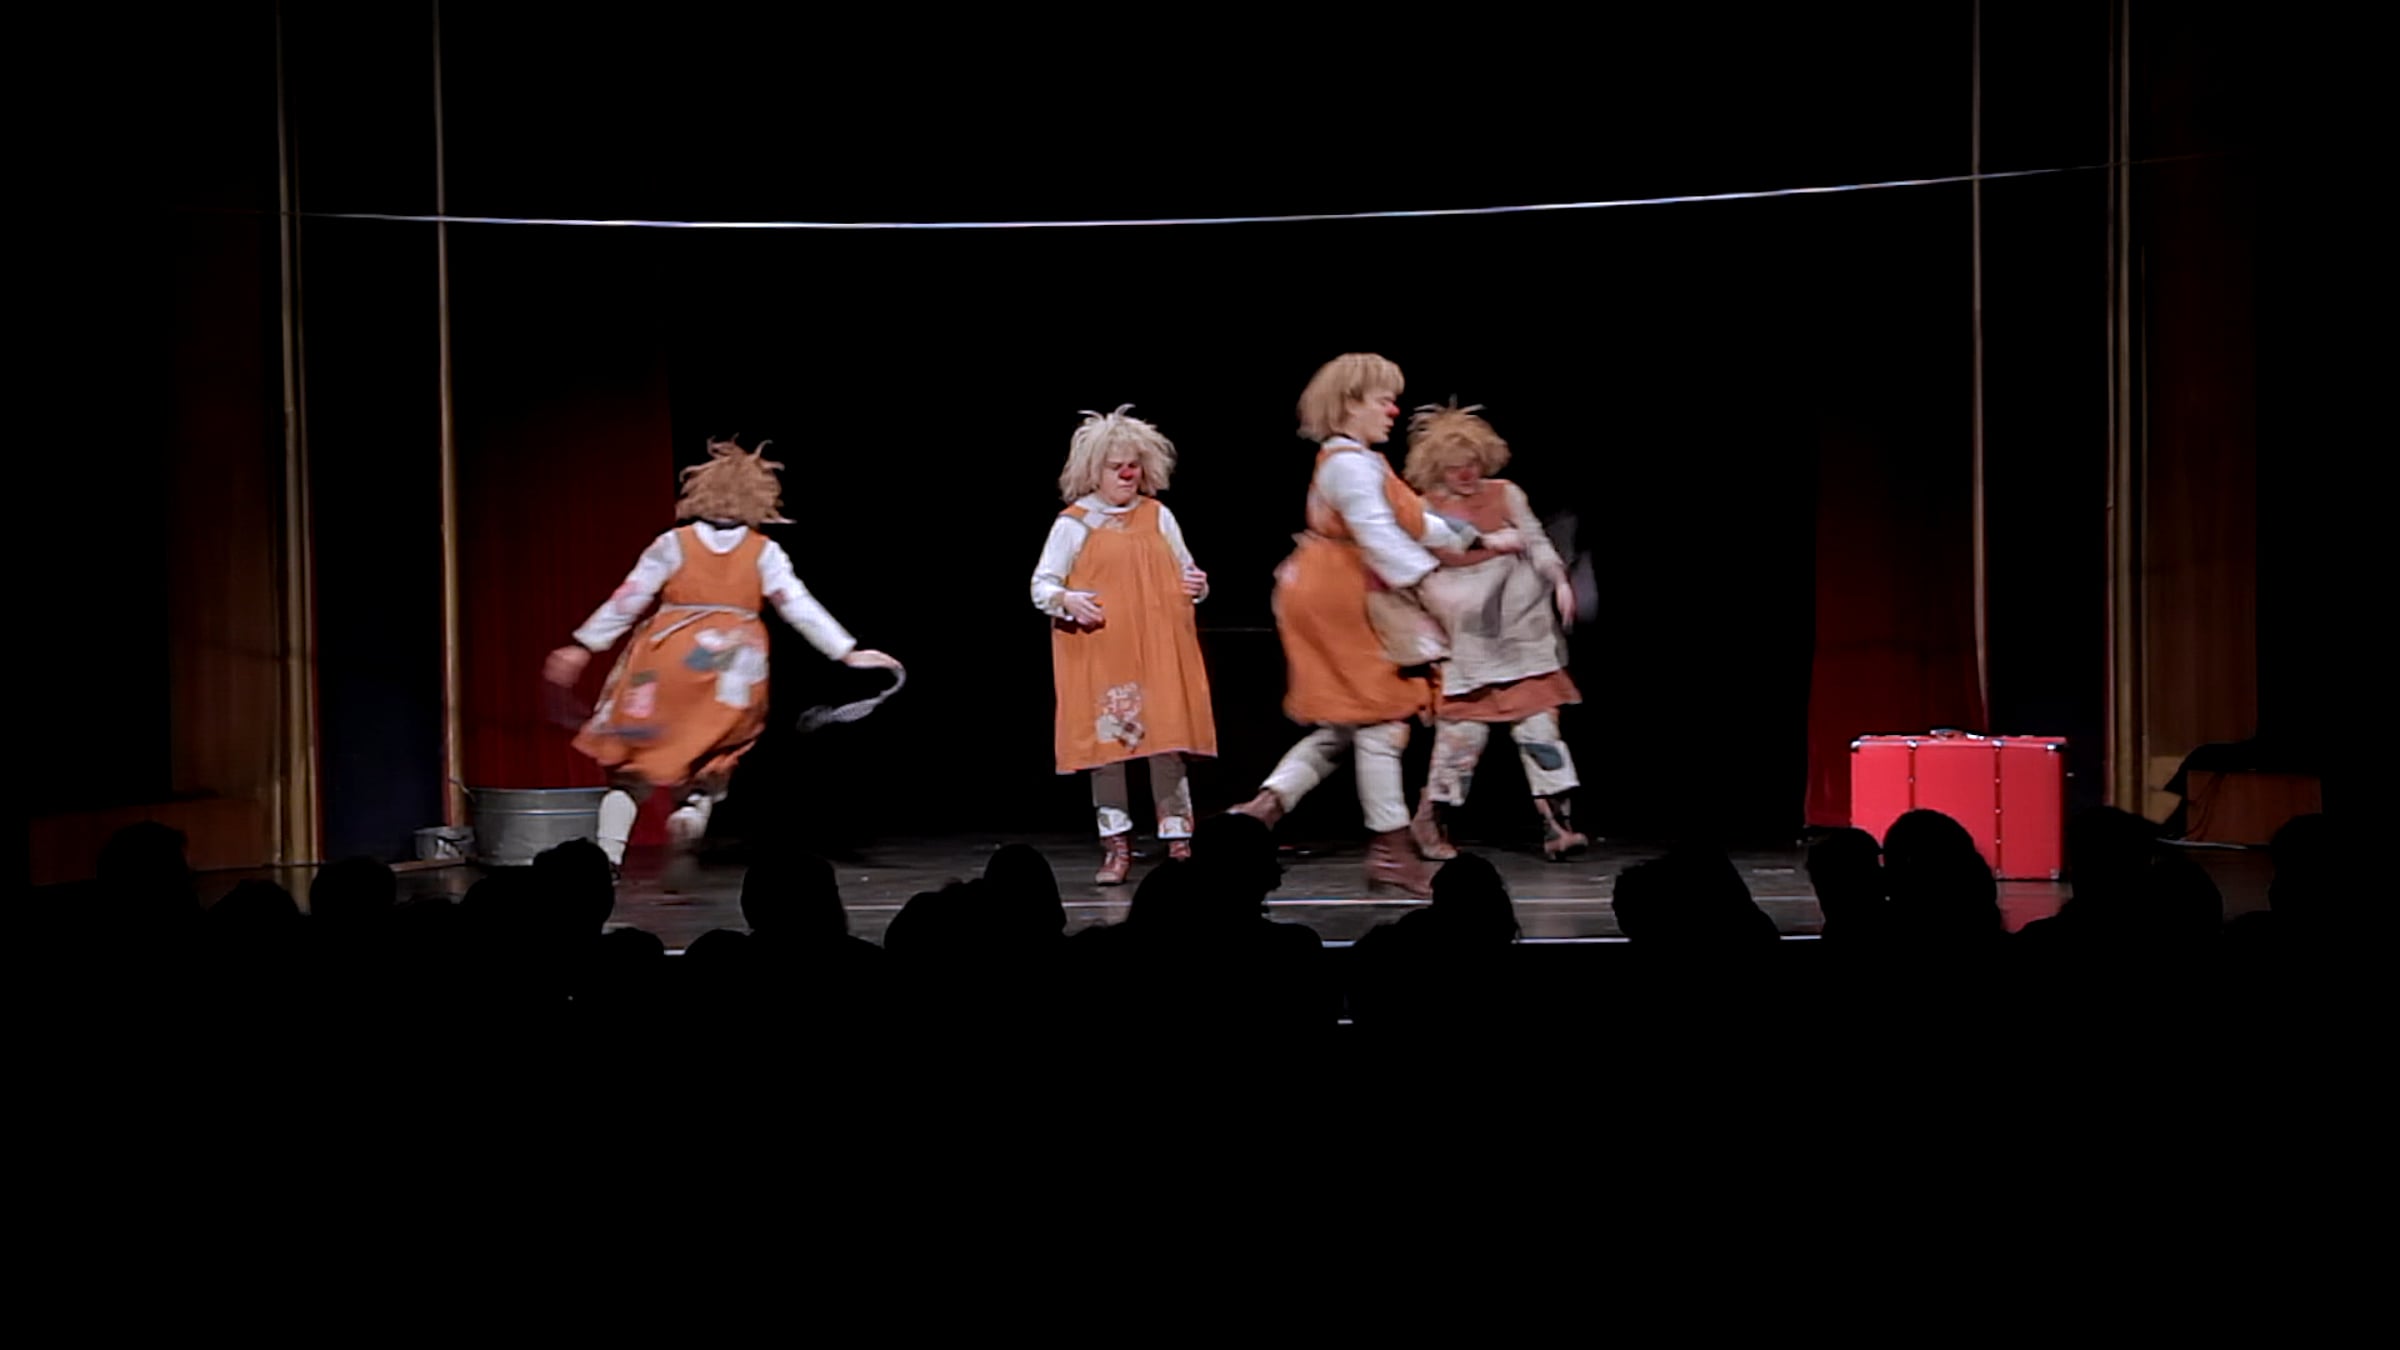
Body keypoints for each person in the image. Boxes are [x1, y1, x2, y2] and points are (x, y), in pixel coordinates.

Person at [1228, 354, 1523, 898]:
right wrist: (1431, 582)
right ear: (1349, 405)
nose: (1393, 410)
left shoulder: (1360, 461)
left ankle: (1261, 810)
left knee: (1350, 721)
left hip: (1339, 588)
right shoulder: (1349, 465)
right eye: (1382, 400)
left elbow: (1416, 520)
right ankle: (1391, 851)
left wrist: (1479, 539)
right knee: (1382, 720)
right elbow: (1379, 534)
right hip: (1339, 594)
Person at [544, 437, 901, 869]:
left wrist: (584, 644)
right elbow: (797, 604)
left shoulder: (673, 544)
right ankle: (691, 812)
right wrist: (846, 651)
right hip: (733, 670)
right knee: (712, 758)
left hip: (667, 662)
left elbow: (630, 598)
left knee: (632, 767)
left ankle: (607, 857)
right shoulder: (763, 552)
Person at [1030, 406, 1217, 884]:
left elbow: (1188, 573)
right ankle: (1116, 846)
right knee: (1108, 752)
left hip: (1158, 649)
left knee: (1167, 746)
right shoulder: (1075, 523)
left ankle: (1179, 841)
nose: (1128, 474)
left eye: (1133, 465)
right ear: (1095, 470)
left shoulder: (1158, 516)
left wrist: (1198, 586)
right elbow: (1042, 586)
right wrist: (1068, 599)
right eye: (1117, 466)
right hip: (1104, 653)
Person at [1402, 401, 1589, 861]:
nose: (1466, 474)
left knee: (1539, 730)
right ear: (1437, 468)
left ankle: (1557, 826)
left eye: (1471, 463)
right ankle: (1430, 818)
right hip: (1466, 632)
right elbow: (1427, 563)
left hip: (1520, 626)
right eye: (1455, 467)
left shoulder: (1506, 493)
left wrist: (1559, 581)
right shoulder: (1425, 509)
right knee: (1463, 737)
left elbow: (1538, 543)